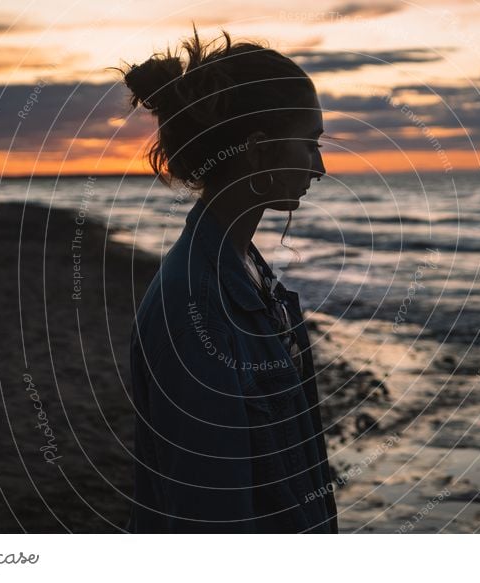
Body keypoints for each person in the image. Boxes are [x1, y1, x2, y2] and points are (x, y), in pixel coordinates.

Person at [118, 26, 338, 533]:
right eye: (309, 144)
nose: (321, 167)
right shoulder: (195, 308)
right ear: (260, 149)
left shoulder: (247, 273)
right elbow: (213, 523)